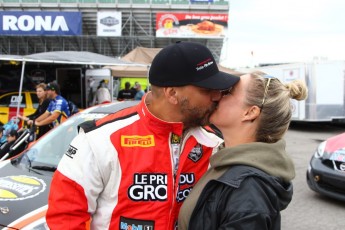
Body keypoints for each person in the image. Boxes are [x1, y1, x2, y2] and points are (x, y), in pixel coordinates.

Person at [46, 41, 240, 229]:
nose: (217, 96)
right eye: (207, 90)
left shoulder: (215, 143)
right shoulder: (100, 138)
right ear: (172, 94)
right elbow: (65, 217)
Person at [178, 72, 308, 230]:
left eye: (228, 92)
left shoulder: (248, 189)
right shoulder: (230, 164)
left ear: (250, 112)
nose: (218, 95)